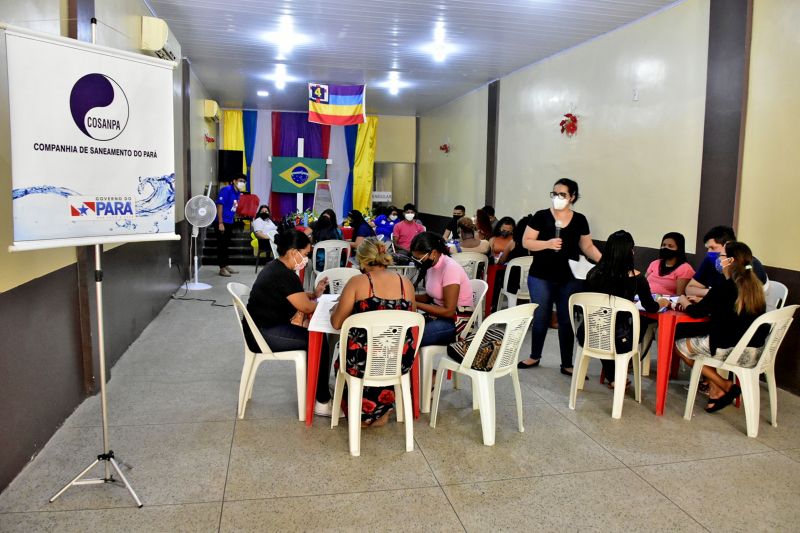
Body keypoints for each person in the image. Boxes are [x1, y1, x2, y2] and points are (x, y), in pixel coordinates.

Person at [246, 230, 336, 416]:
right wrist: (334, 305)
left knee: (317, 338)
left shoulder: (277, 268)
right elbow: (306, 307)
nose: (306, 259)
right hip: (263, 333)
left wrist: (315, 295)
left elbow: (295, 297)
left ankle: (317, 390)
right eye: (305, 254)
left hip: (261, 327)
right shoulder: (284, 275)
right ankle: (322, 401)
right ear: (293, 252)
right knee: (318, 342)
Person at [518, 178, 602, 375]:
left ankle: (567, 363)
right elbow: (526, 242)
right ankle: (535, 355)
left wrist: (605, 262)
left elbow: (587, 246)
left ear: (572, 197)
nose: (557, 197)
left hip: (569, 277)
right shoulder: (541, 216)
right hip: (541, 275)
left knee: (566, 319)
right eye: (554, 193)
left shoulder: (579, 219)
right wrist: (547, 244)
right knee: (541, 316)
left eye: (562, 194)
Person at [330, 238, 418, 427]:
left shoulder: (357, 282)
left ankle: (357, 409)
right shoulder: (406, 284)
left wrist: (340, 305)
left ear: (362, 261)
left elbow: (336, 323)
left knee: (347, 350)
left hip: (362, 361)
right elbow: (412, 319)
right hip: (396, 359)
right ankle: (382, 410)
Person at [675, 241, 768, 412]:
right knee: (694, 339)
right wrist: (707, 302)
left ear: (730, 261)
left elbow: (696, 313)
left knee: (680, 345)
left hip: (731, 348)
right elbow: (728, 307)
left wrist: (683, 301)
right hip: (755, 349)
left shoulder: (725, 287)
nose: (718, 258)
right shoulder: (754, 286)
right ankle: (716, 392)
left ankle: (724, 384)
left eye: (721, 255)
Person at [583, 231, 669, 387]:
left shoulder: (593, 273)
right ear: (629, 252)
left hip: (587, 332)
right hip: (619, 339)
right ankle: (619, 373)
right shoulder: (636, 278)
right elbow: (650, 307)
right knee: (630, 327)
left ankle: (613, 376)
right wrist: (662, 303)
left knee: (604, 326)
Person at [410, 232, 474, 347]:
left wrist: (415, 304)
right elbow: (429, 296)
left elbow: (449, 311)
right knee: (403, 329)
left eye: (419, 258)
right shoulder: (431, 265)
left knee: (411, 337)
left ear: (433, 253)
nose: (417, 262)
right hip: (440, 315)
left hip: (456, 321)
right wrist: (406, 296)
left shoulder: (450, 268)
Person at [686, 225, 767, 298]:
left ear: (728, 245)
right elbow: (689, 289)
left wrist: (712, 296)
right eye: (707, 248)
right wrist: (711, 293)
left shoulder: (749, 264)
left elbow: (739, 298)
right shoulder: (710, 261)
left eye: (713, 248)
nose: (708, 252)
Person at [645, 232, 694, 296]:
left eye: (670, 246)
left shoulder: (685, 269)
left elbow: (679, 295)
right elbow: (643, 282)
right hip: (644, 299)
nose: (665, 248)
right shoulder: (655, 263)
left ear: (679, 249)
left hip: (665, 302)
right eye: (664, 245)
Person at [215, 174, 246, 277]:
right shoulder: (226, 190)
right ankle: (222, 268)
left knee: (226, 245)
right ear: (234, 180)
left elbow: (233, 206)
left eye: (244, 181)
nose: (242, 183)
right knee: (222, 245)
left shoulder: (238, 193)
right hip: (222, 222)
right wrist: (220, 222)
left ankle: (226, 265)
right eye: (240, 180)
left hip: (230, 222)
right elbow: (220, 205)